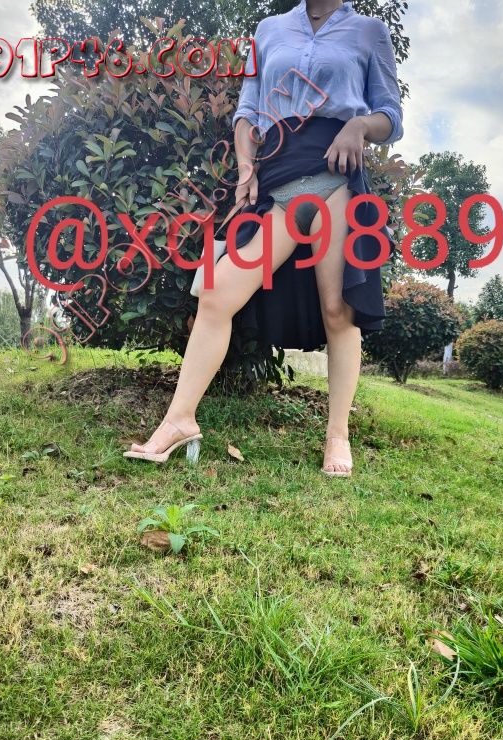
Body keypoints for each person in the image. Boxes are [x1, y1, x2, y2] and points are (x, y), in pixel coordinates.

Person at [124, 0, 404, 476]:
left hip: (336, 175)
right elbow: (248, 110)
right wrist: (245, 168)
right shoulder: (269, 29)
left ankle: (337, 435)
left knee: (337, 310)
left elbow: (390, 117)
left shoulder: (369, 32)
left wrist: (358, 125)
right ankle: (179, 420)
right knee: (217, 293)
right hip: (278, 181)